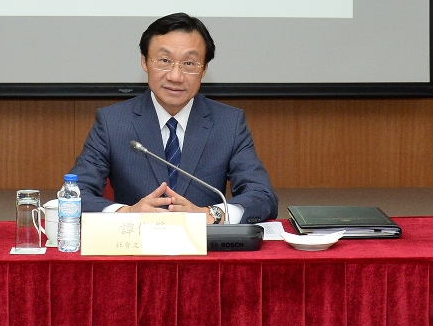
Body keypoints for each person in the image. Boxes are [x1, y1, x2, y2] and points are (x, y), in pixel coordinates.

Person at [68, 13, 278, 224]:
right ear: (144, 61)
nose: (175, 76)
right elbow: (74, 193)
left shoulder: (229, 123)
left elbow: (262, 196)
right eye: (164, 61)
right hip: (135, 241)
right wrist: (127, 213)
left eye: (189, 63)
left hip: (204, 243)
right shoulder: (112, 122)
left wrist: (211, 214)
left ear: (204, 69)